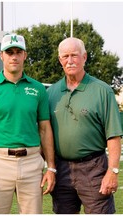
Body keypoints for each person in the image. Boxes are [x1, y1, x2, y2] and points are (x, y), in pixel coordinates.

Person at [0, 34, 56, 214]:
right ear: (1, 55)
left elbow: (44, 129)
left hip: (32, 162)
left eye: (18, 52)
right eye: (9, 52)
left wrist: (51, 167)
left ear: (25, 55)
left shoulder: (37, 88)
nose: (14, 56)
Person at [48, 37, 123, 214]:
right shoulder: (51, 93)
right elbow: (45, 132)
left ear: (84, 57)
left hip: (93, 167)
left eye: (74, 55)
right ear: (60, 60)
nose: (70, 60)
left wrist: (112, 171)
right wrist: (50, 167)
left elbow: (113, 135)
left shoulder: (102, 90)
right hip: (61, 169)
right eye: (65, 56)